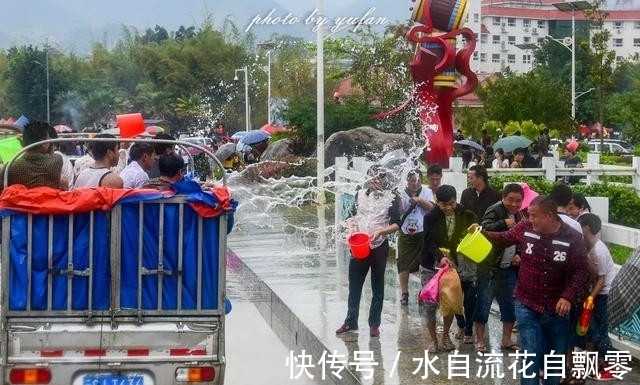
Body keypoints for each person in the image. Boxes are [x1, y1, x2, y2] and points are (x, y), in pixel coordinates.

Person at [474, 196, 589, 385]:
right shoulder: (525, 227)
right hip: (526, 302)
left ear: (549, 216)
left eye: (534, 216)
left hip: (557, 308)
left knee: (554, 359)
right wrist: (481, 232)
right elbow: (503, 239)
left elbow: (581, 270)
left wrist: (568, 296)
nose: (530, 219)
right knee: (530, 354)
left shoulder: (572, 237)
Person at [336, 164, 402, 338]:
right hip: (360, 245)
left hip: (379, 246)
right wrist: (351, 228)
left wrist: (382, 231)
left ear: (385, 180)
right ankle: (350, 321)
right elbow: (351, 217)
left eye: (380, 177)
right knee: (354, 286)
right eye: (372, 177)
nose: (376, 180)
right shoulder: (360, 195)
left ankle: (374, 324)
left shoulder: (392, 198)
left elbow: (397, 224)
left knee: (377, 287)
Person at [419, 184, 477, 352]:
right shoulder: (431, 216)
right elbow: (428, 240)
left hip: (451, 265)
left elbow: (474, 222)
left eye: (451, 203)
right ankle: (433, 340)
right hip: (431, 264)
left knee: (450, 300)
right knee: (430, 304)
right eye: (444, 205)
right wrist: (440, 257)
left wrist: (473, 227)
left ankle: (445, 335)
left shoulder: (462, 212)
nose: (448, 208)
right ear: (437, 202)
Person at [474, 183, 524, 353]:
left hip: (508, 267)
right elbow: (484, 229)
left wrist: (518, 253)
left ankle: (506, 340)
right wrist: (503, 223)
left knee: (509, 305)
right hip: (489, 267)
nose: (514, 204)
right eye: (510, 200)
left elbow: (519, 237)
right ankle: (480, 341)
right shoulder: (494, 210)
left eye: (518, 201)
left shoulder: (520, 214)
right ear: (503, 197)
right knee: (483, 304)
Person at [577, 213, 617, 382]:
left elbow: (601, 279)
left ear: (586, 228)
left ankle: (611, 366)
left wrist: (590, 298)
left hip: (602, 294)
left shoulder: (599, 251)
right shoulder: (592, 248)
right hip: (598, 294)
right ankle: (600, 365)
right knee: (594, 330)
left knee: (599, 332)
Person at [397, 169, 434, 305]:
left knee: (424, 263)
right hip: (406, 232)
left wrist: (419, 200)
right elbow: (399, 212)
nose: (415, 183)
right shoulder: (400, 192)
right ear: (407, 181)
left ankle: (423, 292)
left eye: (418, 180)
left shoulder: (426, 192)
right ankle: (404, 293)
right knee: (403, 262)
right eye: (412, 180)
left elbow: (431, 208)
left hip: (423, 231)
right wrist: (400, 200)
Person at [3, 121, 65, 190]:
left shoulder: (10, 167)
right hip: (47, 200)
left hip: (22, 200)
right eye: (48, 139)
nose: (49, 141)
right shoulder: (56, 161)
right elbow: (52, 155)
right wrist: (50, 146)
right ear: (43, 143)